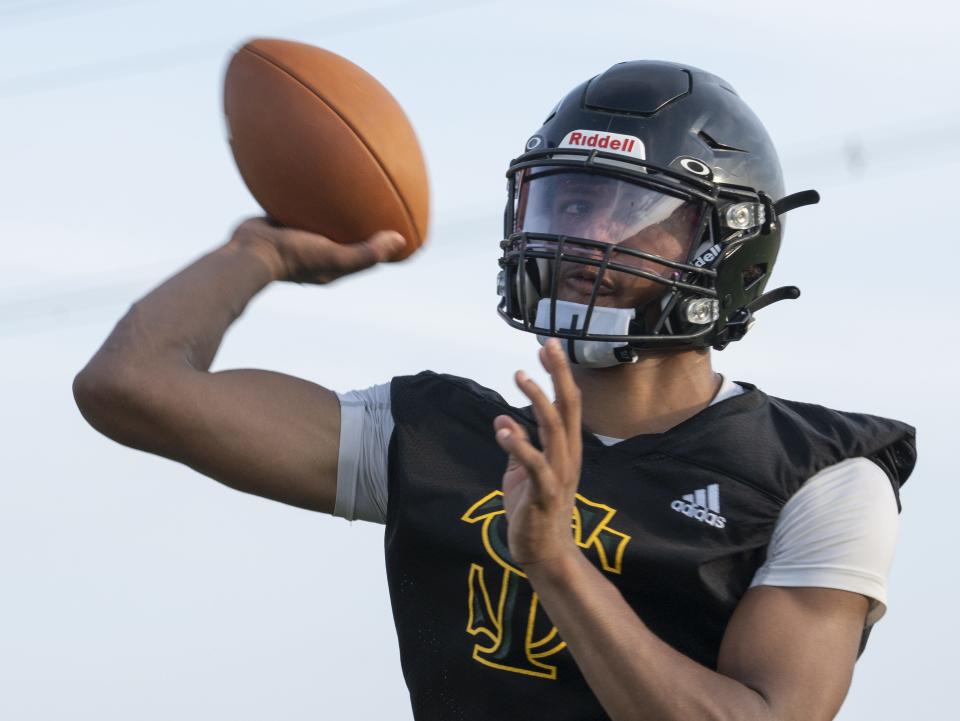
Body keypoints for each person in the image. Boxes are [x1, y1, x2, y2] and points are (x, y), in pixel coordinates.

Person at [73, 60, 916, 721]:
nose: (584, 236)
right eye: (567, 202)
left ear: (728, 243)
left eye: (625, 210)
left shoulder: (822, 478)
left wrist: (557, 564)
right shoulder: (447, 439)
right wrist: (259, 255)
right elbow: (129, 384)